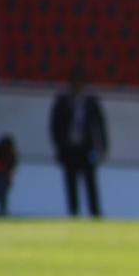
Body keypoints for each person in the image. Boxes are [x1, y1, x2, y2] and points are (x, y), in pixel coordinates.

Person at [49, 71, 107, 218]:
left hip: (86, 148)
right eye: (76, 83)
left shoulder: (91, 102)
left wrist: (102, 147)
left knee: (90, 182)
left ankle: (95, 212)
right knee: (70, 182)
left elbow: (99, 126)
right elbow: (55, 127)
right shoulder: (62, 101)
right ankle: (73, 212)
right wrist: (59, 146)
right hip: (70, 148)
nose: (78, 86)